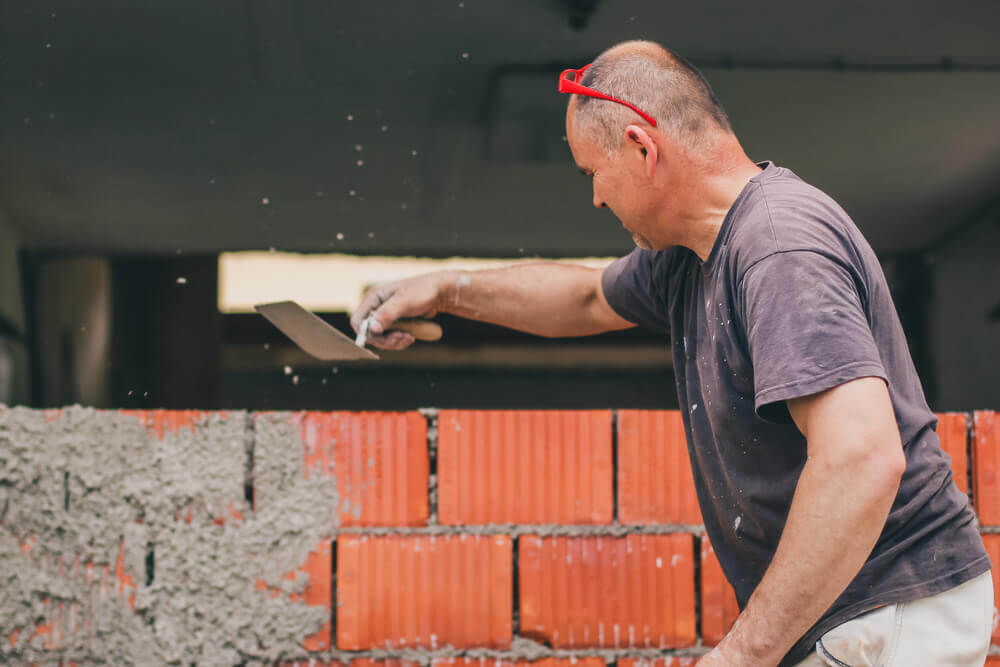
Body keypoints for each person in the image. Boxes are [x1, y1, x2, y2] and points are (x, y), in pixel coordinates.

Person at [350, 40, 993, 665]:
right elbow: (583, 300)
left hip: (891, 612)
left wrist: (741, 655)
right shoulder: (690, 257)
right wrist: (444, 290)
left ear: (640, 148)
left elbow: (862, 458)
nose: (596, 197)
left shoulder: (778, 249)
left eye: (592, 174)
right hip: (858, 614)